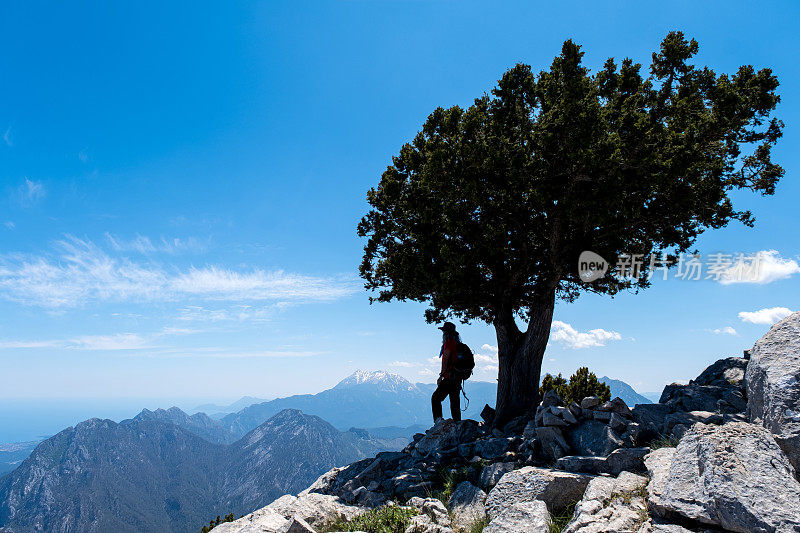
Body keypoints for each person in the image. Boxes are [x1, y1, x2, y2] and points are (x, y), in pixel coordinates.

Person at [431, 321, 462, 423]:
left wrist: (441, 376)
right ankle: (457, 423)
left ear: (446, 333)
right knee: (454, 401)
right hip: (457, 377)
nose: (443, 334)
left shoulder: (448, 343)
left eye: (444, 331)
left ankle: (438, 421)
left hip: (449, 377)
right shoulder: (458, 344)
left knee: (435, 398)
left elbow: (445, 359)